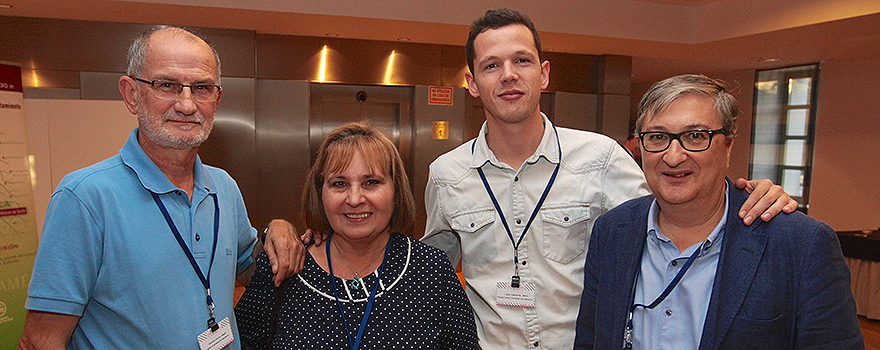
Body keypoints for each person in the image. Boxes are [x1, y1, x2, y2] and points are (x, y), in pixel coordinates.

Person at [421, 9, 798, 349]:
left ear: (544, 73)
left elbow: (672, 216)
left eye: (522, 60)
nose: (508, 75)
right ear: (471, 83)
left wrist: (744, 194)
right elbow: (430, 271)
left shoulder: (600, 158)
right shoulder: (446, 175)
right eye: (491, 66)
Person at [18, 26, 304, 350]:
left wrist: (277, 230)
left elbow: (251, 270)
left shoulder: (223, 187)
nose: (186, 104)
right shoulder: (85, 198)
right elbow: (39, 341)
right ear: (131, 94)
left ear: (217, 98)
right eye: (166, 85)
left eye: (201, 88)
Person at [573, 74, 863, 349]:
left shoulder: (799, 244)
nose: (673, 156)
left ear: (728, 147)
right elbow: (590, 339)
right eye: (658, 137)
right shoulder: (612, 231)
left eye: (696, 136)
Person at [235, 122, 479, 350]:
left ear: (396, 191)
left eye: (371, 182)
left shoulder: (431, 269)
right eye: (339, 184)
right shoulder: (286, 267)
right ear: (320, 193)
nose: (354, 199)